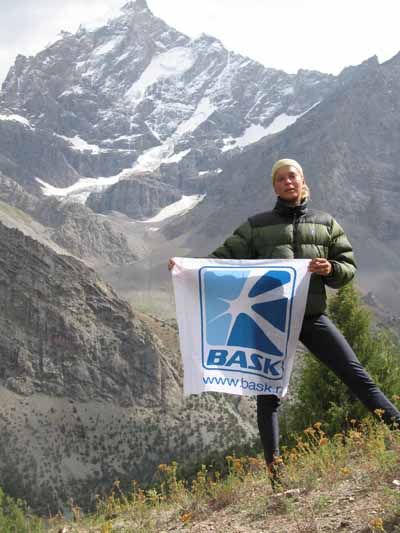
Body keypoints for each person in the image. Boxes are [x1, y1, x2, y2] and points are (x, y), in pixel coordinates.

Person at [168, 158, 400, 484]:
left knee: (356, 376)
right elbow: (221, 260)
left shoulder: (325, 224)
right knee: (269, 397)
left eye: (292, 176)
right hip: (270, 323)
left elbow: (347, 269)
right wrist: (185, 267)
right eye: (281, 179)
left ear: (303, 180)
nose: (288, 182)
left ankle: (396, 428)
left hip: (311, 316)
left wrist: (331, 269)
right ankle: (277, 478)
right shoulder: (256, 226)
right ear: (274, 186)